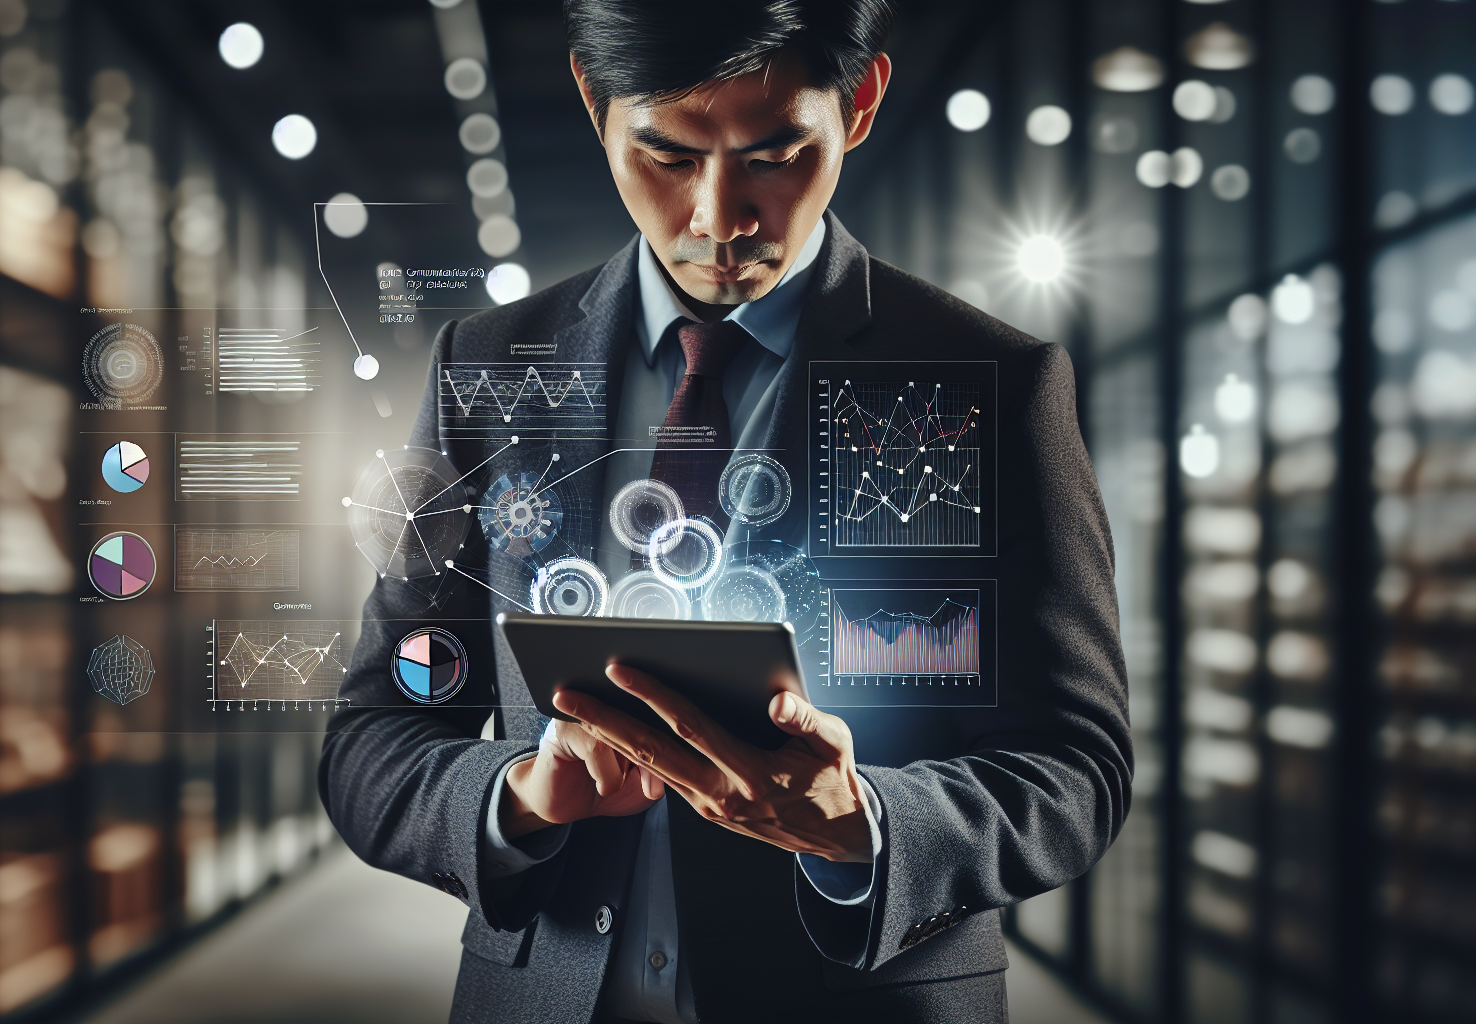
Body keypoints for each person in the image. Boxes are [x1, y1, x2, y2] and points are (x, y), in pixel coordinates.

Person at [320, 1, 1131, 1021]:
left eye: (776, 153)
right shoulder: (488, 370)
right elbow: (372, 739)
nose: (717, 217)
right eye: (664, 153)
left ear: (862, 100)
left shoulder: (989, 381)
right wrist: (521, 797)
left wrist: (867, 824)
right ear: (590, 99)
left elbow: (1078, 767)